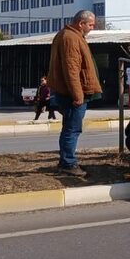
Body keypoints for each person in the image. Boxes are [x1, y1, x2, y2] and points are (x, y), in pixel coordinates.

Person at [47, 10, 102, 177]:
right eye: (91, 24)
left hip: (70, 92)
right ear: (81, 23)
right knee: (72, 129)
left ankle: (66, 161)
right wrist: (77, 95)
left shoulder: (71, 35)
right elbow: (72, 69)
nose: (92, 28)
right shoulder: (70, 38)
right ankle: (68, 163)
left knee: (70, 128)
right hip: (72, 95)